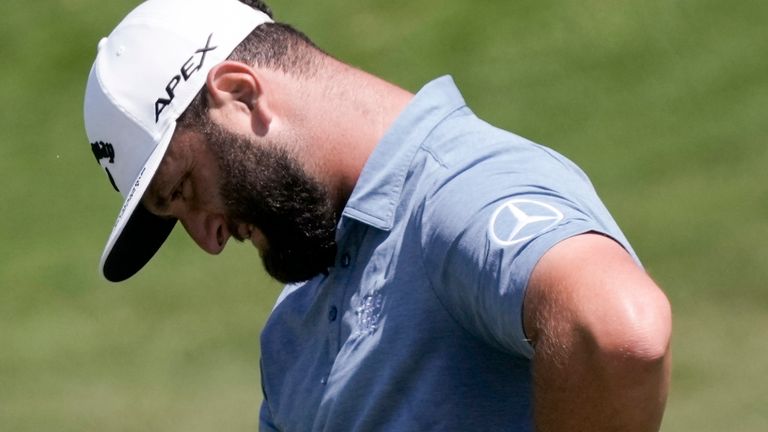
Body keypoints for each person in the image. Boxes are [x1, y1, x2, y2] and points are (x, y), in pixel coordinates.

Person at [83, 0, 672, 430]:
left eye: (185, 188)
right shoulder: (291, 332)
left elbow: (617, 329)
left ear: (240, 94)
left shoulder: (456, 192)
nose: (207, 238)